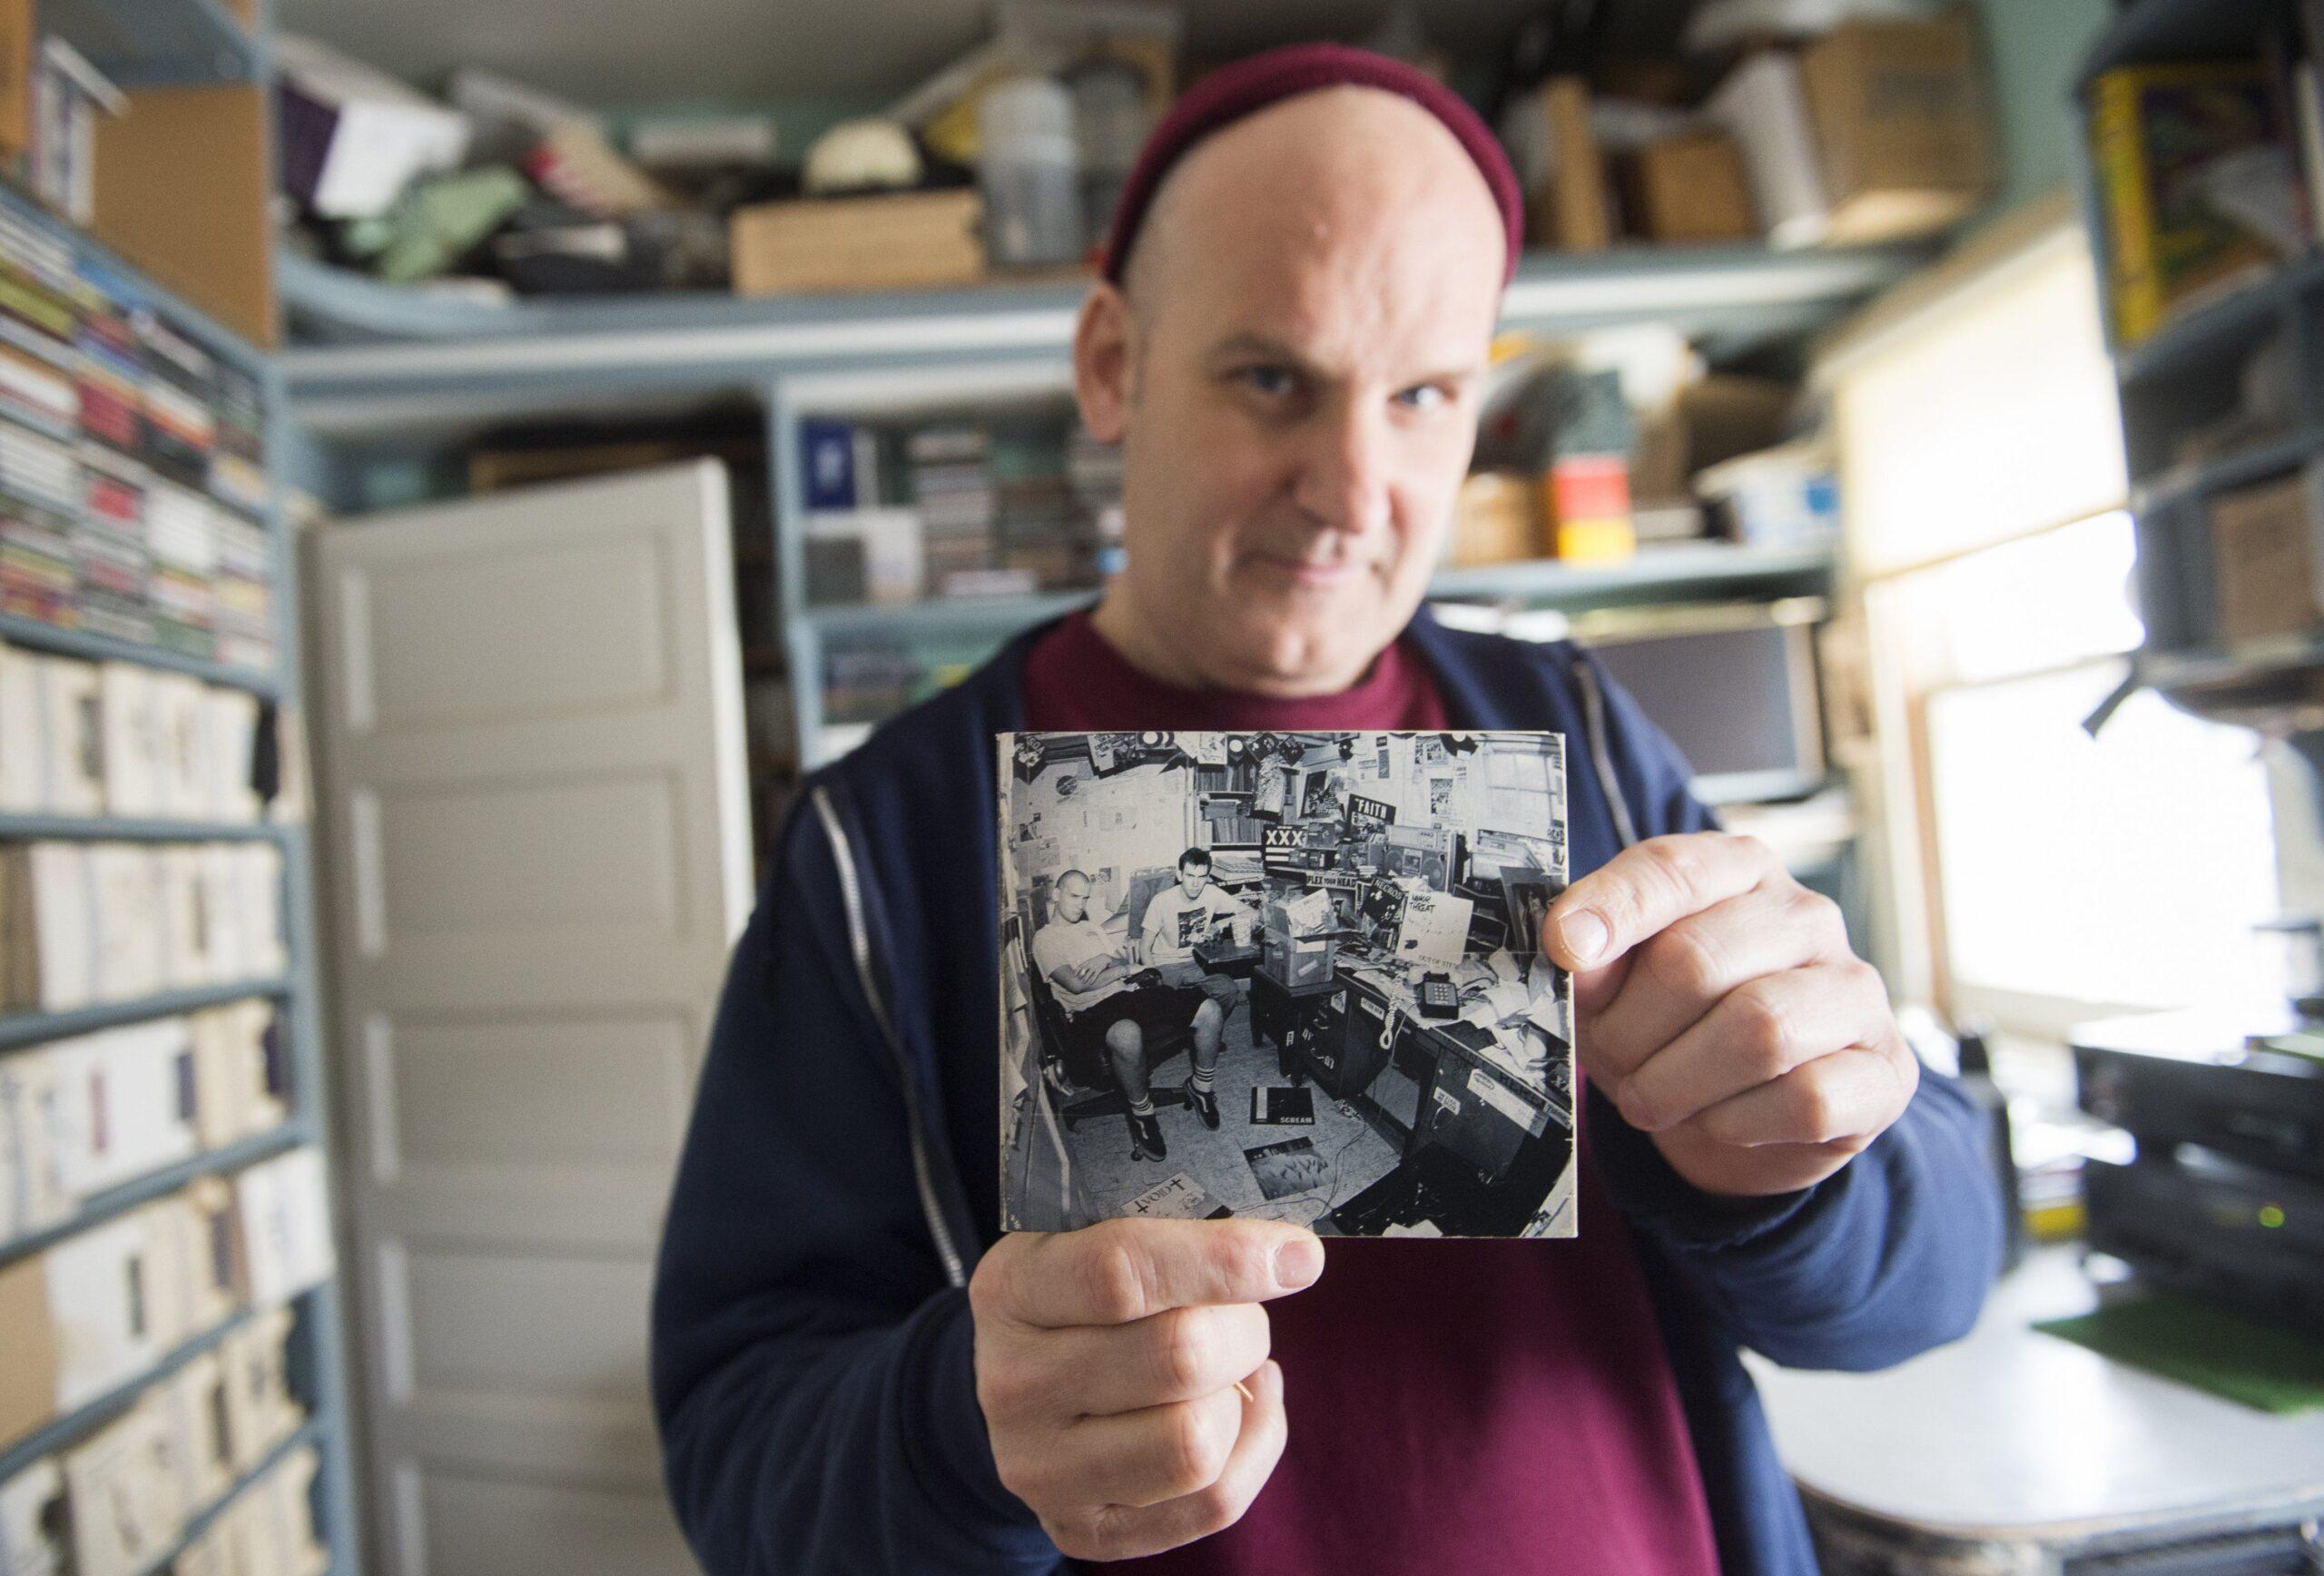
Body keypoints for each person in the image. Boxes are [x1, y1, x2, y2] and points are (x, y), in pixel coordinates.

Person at [652, 42, 2002, 1576]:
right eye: (1273, 379)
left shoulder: (1583, 735)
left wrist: (1810, 1155)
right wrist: (957, 1430)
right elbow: (737, 1453)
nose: (1355, 488)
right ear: (1112, 366)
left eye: (1423, 394)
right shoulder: (879, 846)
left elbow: (1936, 1275)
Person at [1033, 866, 1225, 1158]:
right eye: (1074, 896)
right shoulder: (1045, 938)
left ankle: (1201, 1087)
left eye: (1085, 898)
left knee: (1209, 1009)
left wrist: (1105, 959)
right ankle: (1143, 1114)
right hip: (1087, 1012)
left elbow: (1121, 962)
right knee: (1126, 1033)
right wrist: (1120, 969)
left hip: (1126, 995)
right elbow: (1076, 985)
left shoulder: (1092, 928)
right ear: (1056, 895)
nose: (1080, 905)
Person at [1137, 846, 1253, 1044]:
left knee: (1229, 990)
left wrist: (1221, 923)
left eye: (1202, 877)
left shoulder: (1212, 893)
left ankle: (1208, 1032)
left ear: (1208, 877)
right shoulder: (1161, 901)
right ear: (1179, 875)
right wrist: (1155, 981)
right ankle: (1184, 1034)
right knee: (1161, 1006)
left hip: (1197, 963)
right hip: (1165, 964)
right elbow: (1144, 947)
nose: (1196, 883)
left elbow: (1249, 912)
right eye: (1190, 876)